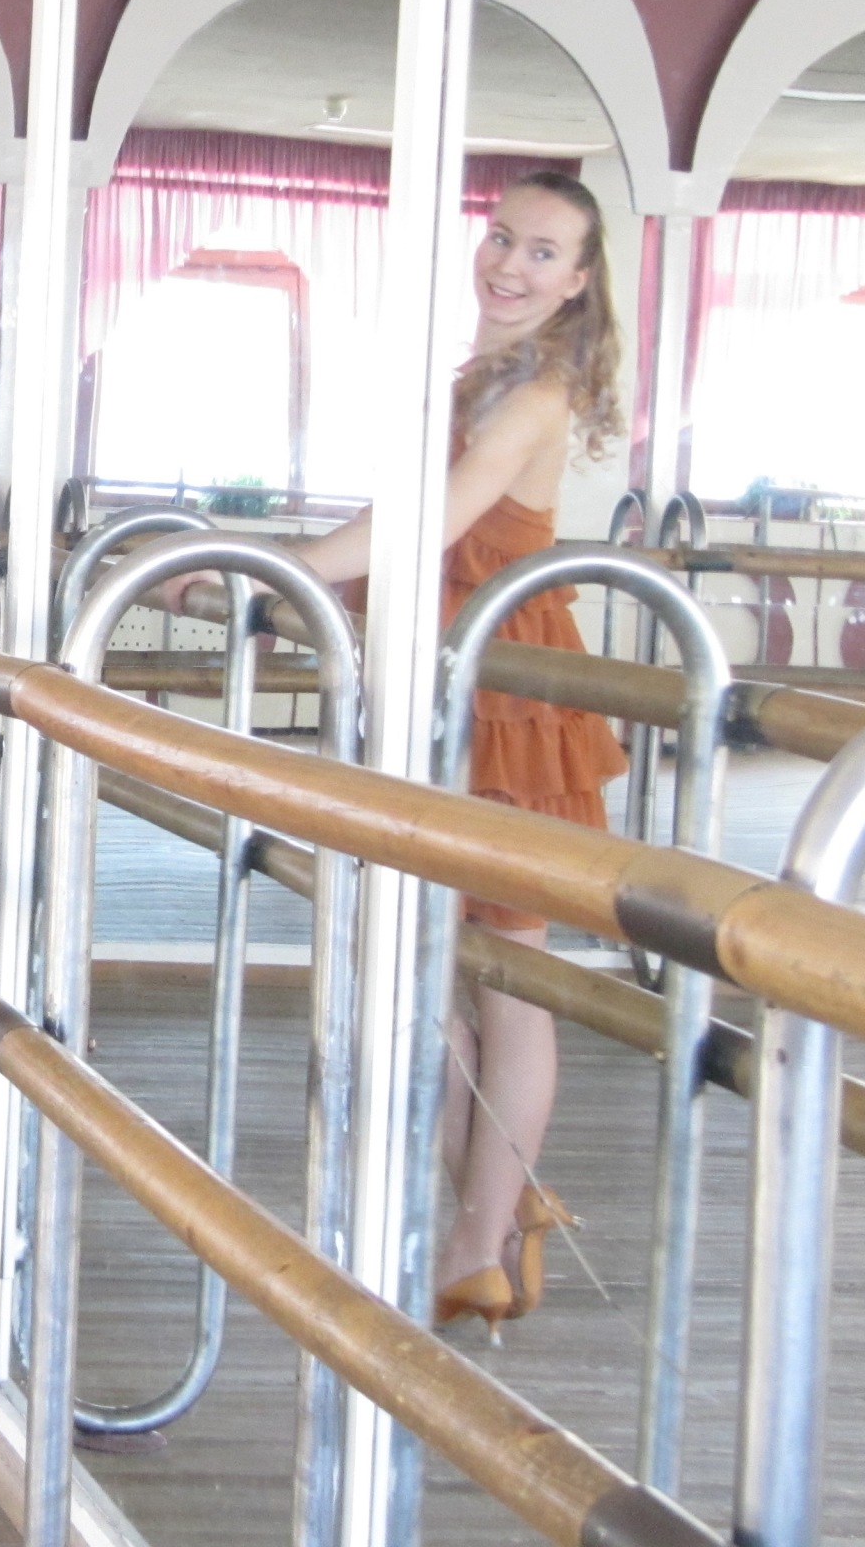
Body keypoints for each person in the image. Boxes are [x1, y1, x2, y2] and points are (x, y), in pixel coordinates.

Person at [231, 171, 627, 1341]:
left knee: (507, 973)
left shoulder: (540, 389)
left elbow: (430, 522)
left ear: (580, 281)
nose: (509, 264)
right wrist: (283, 567)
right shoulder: (484, 376)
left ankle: (477, 1241)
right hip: (444, 668)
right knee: (429, 963)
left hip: (506, 686)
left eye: (542, 252)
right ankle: (494, 1212)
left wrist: (272, 566)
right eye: (501, 238)